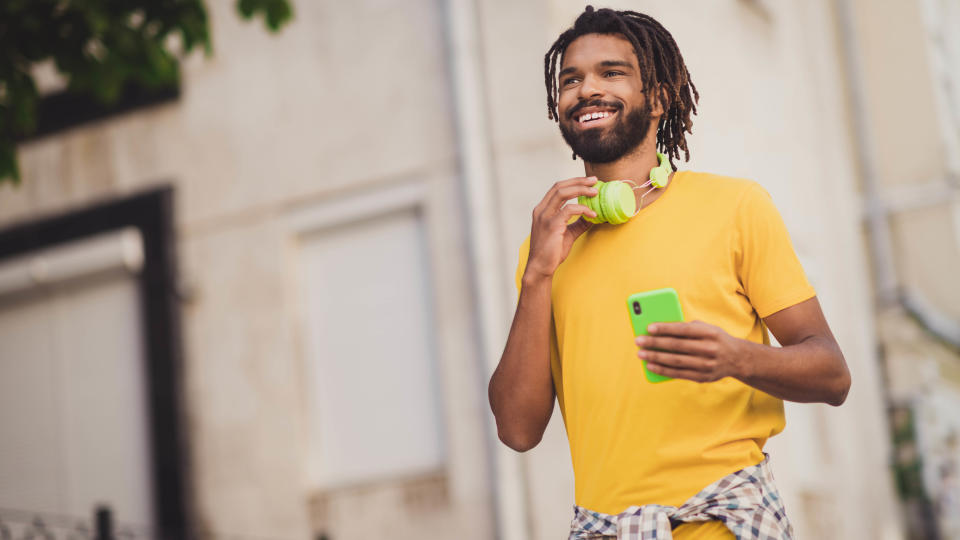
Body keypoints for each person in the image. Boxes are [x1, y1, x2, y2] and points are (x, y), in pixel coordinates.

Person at [487, 6, 852, 540]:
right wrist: (536, 277)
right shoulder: (543, 251)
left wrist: (736, 357)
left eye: (611, 73)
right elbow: (517, 430)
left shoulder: (735, 207)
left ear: (657, 99)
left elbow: (832, 374)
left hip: (725, 523)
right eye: (571, 79)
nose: (587, 89)